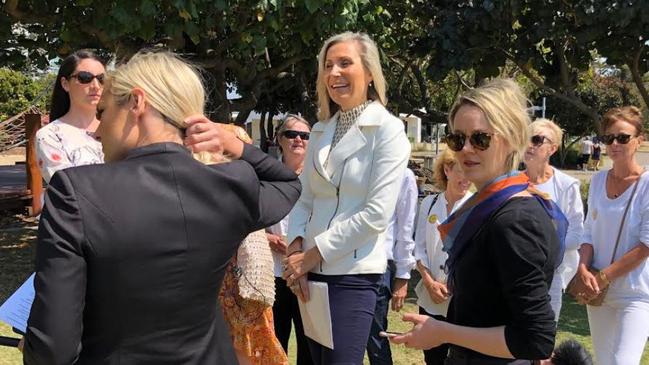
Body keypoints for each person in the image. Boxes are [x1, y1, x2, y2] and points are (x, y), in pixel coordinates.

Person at [22, 51, 301, 364]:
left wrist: (32, 347)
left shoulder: (76, 191)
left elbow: (53, 349)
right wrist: (235, 146)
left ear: (137, 103)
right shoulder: (229, 184)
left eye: (105, 111)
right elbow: (287, 184)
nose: (98, 130)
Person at [390, 79, 565, 364]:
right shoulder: (488, 208)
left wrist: (444, 332)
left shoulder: (514, 220)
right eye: (457, 139)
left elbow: (536, 338)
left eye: (480, 139)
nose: (466, 149)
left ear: (510, 138)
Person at [283, 31, 410, 363]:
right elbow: (304, 198)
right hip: (309, 276)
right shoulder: (321, 129)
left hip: (353, 276)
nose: (333, 73)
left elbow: (376, 214)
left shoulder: (389, 130)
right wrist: (296, 248)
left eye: (344, 63)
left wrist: (312, 255)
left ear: (369, 72)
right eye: (328, 65)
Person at [571, 106, 649, 365]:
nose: (615, 143)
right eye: (608, 138)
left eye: (623, 137)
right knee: (604, 361)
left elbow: (646, 245)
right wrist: (583, 267)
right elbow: (588, 232)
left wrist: (603, 277)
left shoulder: (647, 184)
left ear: (639, 140)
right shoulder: (597, 181)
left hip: (635, 293)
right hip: (597, 291)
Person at [217, 125, 289, 365]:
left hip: (247, 279)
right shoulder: (212, 184)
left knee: (249, 344)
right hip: (224, 282)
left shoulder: (247, 185)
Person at [413, 149, 472, 365]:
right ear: (447, 169)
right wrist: (429, 283)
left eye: (470, 171)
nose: (466, 178)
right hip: (431, 297)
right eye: (460, 170)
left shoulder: (476, 207)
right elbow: (419, 249)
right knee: (432, 357)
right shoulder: (428, 204)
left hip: (461, 299)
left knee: (460, 357)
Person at [524, 118, 584, 321]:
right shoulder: (511, 182)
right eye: (526, 138)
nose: (529, 144)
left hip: (551, 277)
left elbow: (577, 234)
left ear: (553, 148)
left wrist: (542, 249)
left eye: (537, 139)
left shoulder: (566, 186)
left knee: (540, 341)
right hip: (513, 272)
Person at [266, 114, 313, 365]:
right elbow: (250, 222)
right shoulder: (266, 177)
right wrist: (269, 238)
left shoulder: (318, 179)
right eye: (291, 134)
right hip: (274, 274)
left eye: (304, 136)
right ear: (279, 139)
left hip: (308, 270)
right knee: (275, 343)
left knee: (309, 346)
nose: (298, 140)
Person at [366, 167, 418, 365]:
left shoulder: (402, 175)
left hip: (379, 266)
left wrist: (403, 276)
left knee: (375, 339)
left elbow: (406, 227)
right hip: (343, 266)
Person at [36, 50, 105, 183]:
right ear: (65, 84)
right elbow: (67, 189)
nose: (96, 86)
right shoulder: (50, 136)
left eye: (101, 78)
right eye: (85, 78)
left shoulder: (116, 128)